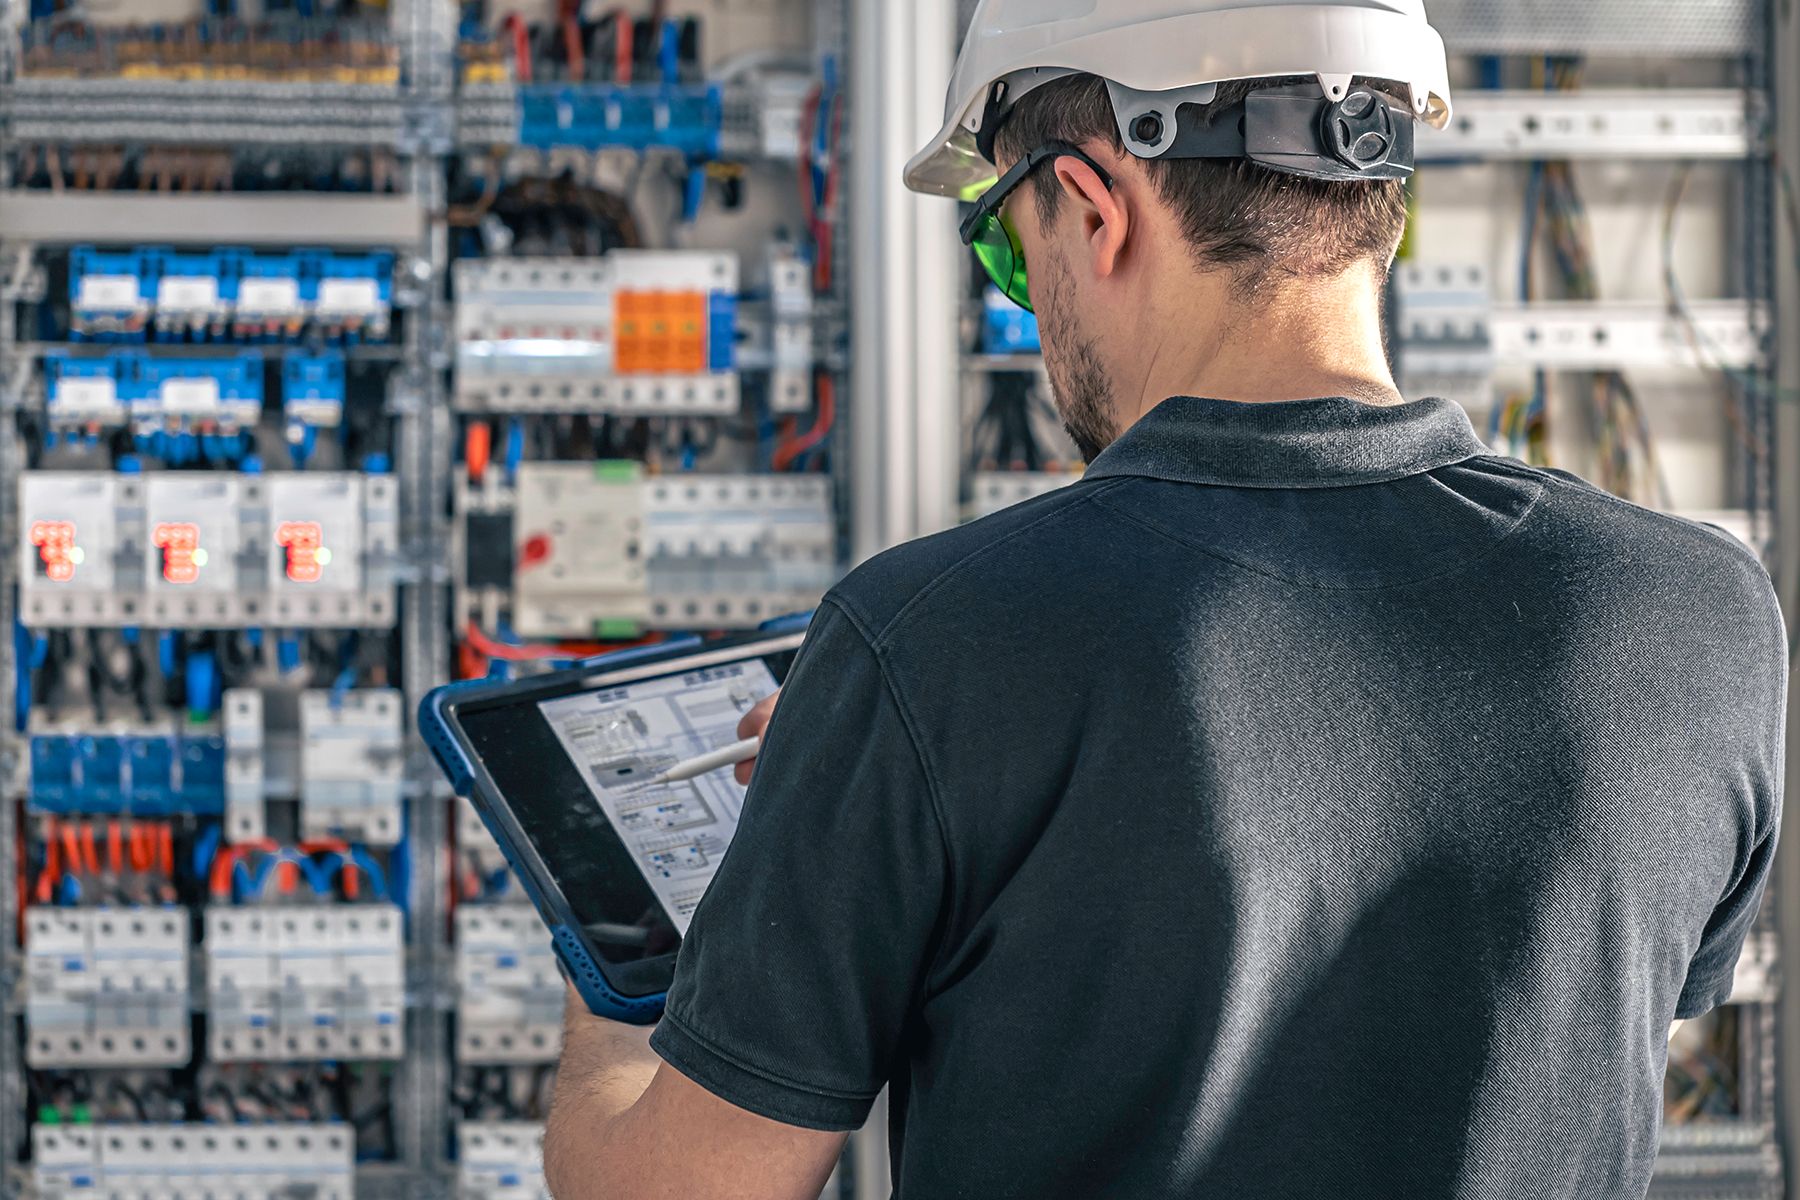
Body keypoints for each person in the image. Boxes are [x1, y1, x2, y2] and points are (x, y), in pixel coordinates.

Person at [542, 2, 1787, 1197]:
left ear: (1094, 208)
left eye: (1008, 251)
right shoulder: (1700, 617)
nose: (1029, 303)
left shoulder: (928, 646)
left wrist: (630, 949)